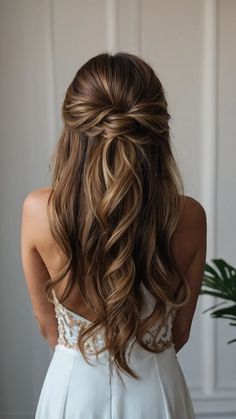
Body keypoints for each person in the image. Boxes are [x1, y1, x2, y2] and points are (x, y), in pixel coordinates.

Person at [21, 52, 207, 419]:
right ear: (157, 129)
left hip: (72, 394)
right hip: (157, 392)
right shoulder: (187, 215)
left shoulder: (40, 211)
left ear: (73, 126)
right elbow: (180, 333)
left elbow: (48, 329)